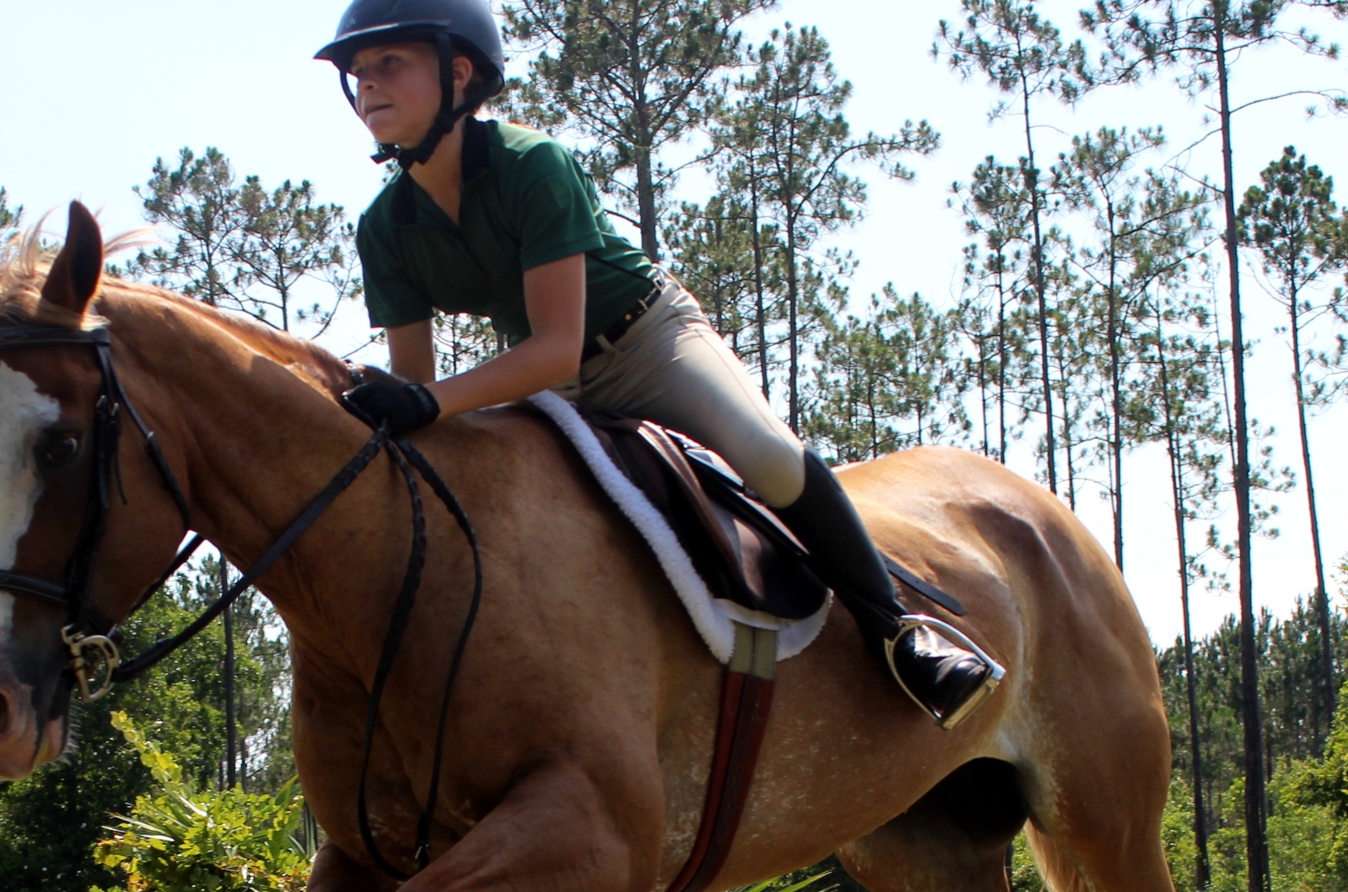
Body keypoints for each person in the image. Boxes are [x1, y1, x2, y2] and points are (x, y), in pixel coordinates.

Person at [314, 0, 1006, 731]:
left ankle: (900, 632)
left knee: (767, 457)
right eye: (357, 72)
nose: (368, 84)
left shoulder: (531, 165)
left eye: (390, 63)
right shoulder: (383, 227)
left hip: (644, 341)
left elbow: (546, 344)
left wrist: (428, 402)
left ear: (459, 74)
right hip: (550, 383)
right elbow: (420, 387)